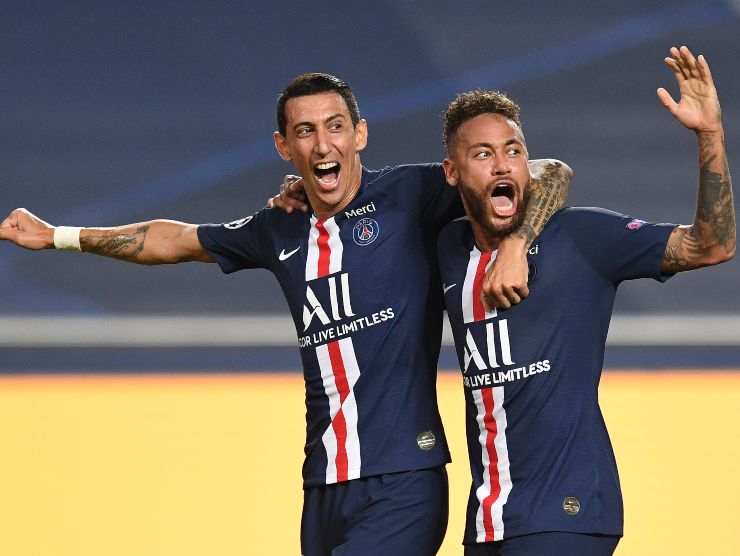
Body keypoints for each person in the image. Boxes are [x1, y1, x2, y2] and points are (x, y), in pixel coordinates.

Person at [0, 74, 571, 555]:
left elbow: (548, 170)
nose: (323, 145)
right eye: (305, 131)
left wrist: (517, 243)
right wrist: (59, 236)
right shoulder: (279, 226)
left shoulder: (411, 195)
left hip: (403, 479)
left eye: (335, 126)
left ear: (360, 134)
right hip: (321, 484)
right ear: (284, 147)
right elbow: (171, 241)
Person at [436, 46, 734, 555]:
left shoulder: (583, 237)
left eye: (513, 150)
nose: (502, 163)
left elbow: (712, 245)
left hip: (567, 510)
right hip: (488, 517)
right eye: (482, 154)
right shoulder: (445, 248)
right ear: (452, 172)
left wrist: (710, 135)